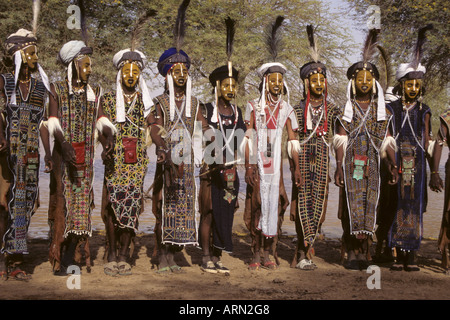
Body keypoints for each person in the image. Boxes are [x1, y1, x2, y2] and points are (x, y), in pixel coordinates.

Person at [149, 0, 208, 274]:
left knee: (183, 209)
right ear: (168, 75)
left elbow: (204, 130)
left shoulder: (196, 103)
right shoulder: (159, 102)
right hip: (168, 163)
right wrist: (163, 149)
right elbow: (154, 127)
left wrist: (214, 154)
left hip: (187, 167)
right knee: (163, 207)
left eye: (185, 70)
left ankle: (174, 252)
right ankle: (161, 255)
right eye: (177, 71)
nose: (182, 75)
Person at [333, 29, 398, 271]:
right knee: (352, 207)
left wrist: (393, 165)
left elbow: (388, 140)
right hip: (352, 166)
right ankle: (351, 250)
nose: (364, 82)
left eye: (368, 79)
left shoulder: (383, 112)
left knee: (371, 205)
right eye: (360, 79)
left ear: (374, 83)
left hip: (373, 166)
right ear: (353, 82)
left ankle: (365, 251)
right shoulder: (346, 110)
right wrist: (338, 167)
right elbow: (340, 140)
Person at [47, 40, 111, 275]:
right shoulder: (57, 89)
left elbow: (101, 121)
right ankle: (59, 256)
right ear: (74, 64)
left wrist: (107, 142)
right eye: (85, 65)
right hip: (64, 161)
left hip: (85, 161)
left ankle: (71, 255)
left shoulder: (94, 92)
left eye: (90, 65)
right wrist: (63, 144)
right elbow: (52, 122)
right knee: (63, 206)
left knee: (82, 209)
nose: (90, 69)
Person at [243, 16, 300, 271]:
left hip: (275, 169)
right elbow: (248, 137)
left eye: (280, 80)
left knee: (274, 207)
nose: (276, 84)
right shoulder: (254, 107)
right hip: (258, 166)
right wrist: (248, 166)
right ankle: (255, 251)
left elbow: (293, 141)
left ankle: (269, 252)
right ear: (265, 81)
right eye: (272, 80)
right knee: (256, 206)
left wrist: (295, 168)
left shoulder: (288, 108)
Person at [0, 22, 53, 280]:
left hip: (31, 156)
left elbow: (42, 122)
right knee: (4, 205)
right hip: (6, 158)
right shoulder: (4, 82)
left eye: (35, 53)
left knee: (25, 205)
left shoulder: (39, 88)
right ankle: (3, 259)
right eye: (31, 53)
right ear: (19, 55)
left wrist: (49, 153)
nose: (35, 58)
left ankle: (17, 260)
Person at [379, 25, 433, 272]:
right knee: (396, 204)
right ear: (401, 86)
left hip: (418, 166)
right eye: (408, 84)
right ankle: (394, 252)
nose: (412, 88)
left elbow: (428, 141)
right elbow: (387, 138)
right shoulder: (392, 109)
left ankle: (410, 254)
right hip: (398, 162)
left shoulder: (424, 111)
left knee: (414, 205)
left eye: (416, 85)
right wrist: (391, 163)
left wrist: (436, 172)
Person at [289, 25, 340, 270]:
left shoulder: (334, 110)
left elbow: (342, 135)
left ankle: (309, 250)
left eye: (322, 79)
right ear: (306, 83)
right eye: (314, 80)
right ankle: (301, 251)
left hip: (322, 164)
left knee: (319, 207)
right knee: (302, 206)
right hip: (302, 164)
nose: (319, 83)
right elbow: (292, 141)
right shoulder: (297, 110)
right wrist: (295, 169)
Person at [100, 46, 154, 276]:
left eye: (135, 72)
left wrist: (162, 147)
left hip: (137, 164)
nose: (131, 75)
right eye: (127, 71)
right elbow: (102, 126)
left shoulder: (145, 102)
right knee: (113, 209)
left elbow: (155, 127)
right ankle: (111, 253)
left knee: (131, 210)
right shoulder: (109, 99)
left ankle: (124, 255)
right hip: (115, 163)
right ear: (120, 74)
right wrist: (106, 144)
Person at [198, 17, 246, 274]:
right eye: (226, 85)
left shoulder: (238, 113)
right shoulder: (206, 110)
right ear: (217, 87)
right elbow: (203, 135)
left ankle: (217, 255)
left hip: (229, 175)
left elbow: (241, 142)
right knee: (208, 212)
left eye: (233, 85)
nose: (230, 89)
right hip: (210, 174)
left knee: (226, 213)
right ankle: (205, 256)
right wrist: (214, 153)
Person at [430, 108, 450, 275]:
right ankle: (447, 254)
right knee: (449, 213)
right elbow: (439, 142)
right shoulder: (448, 116)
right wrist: (435, 172)